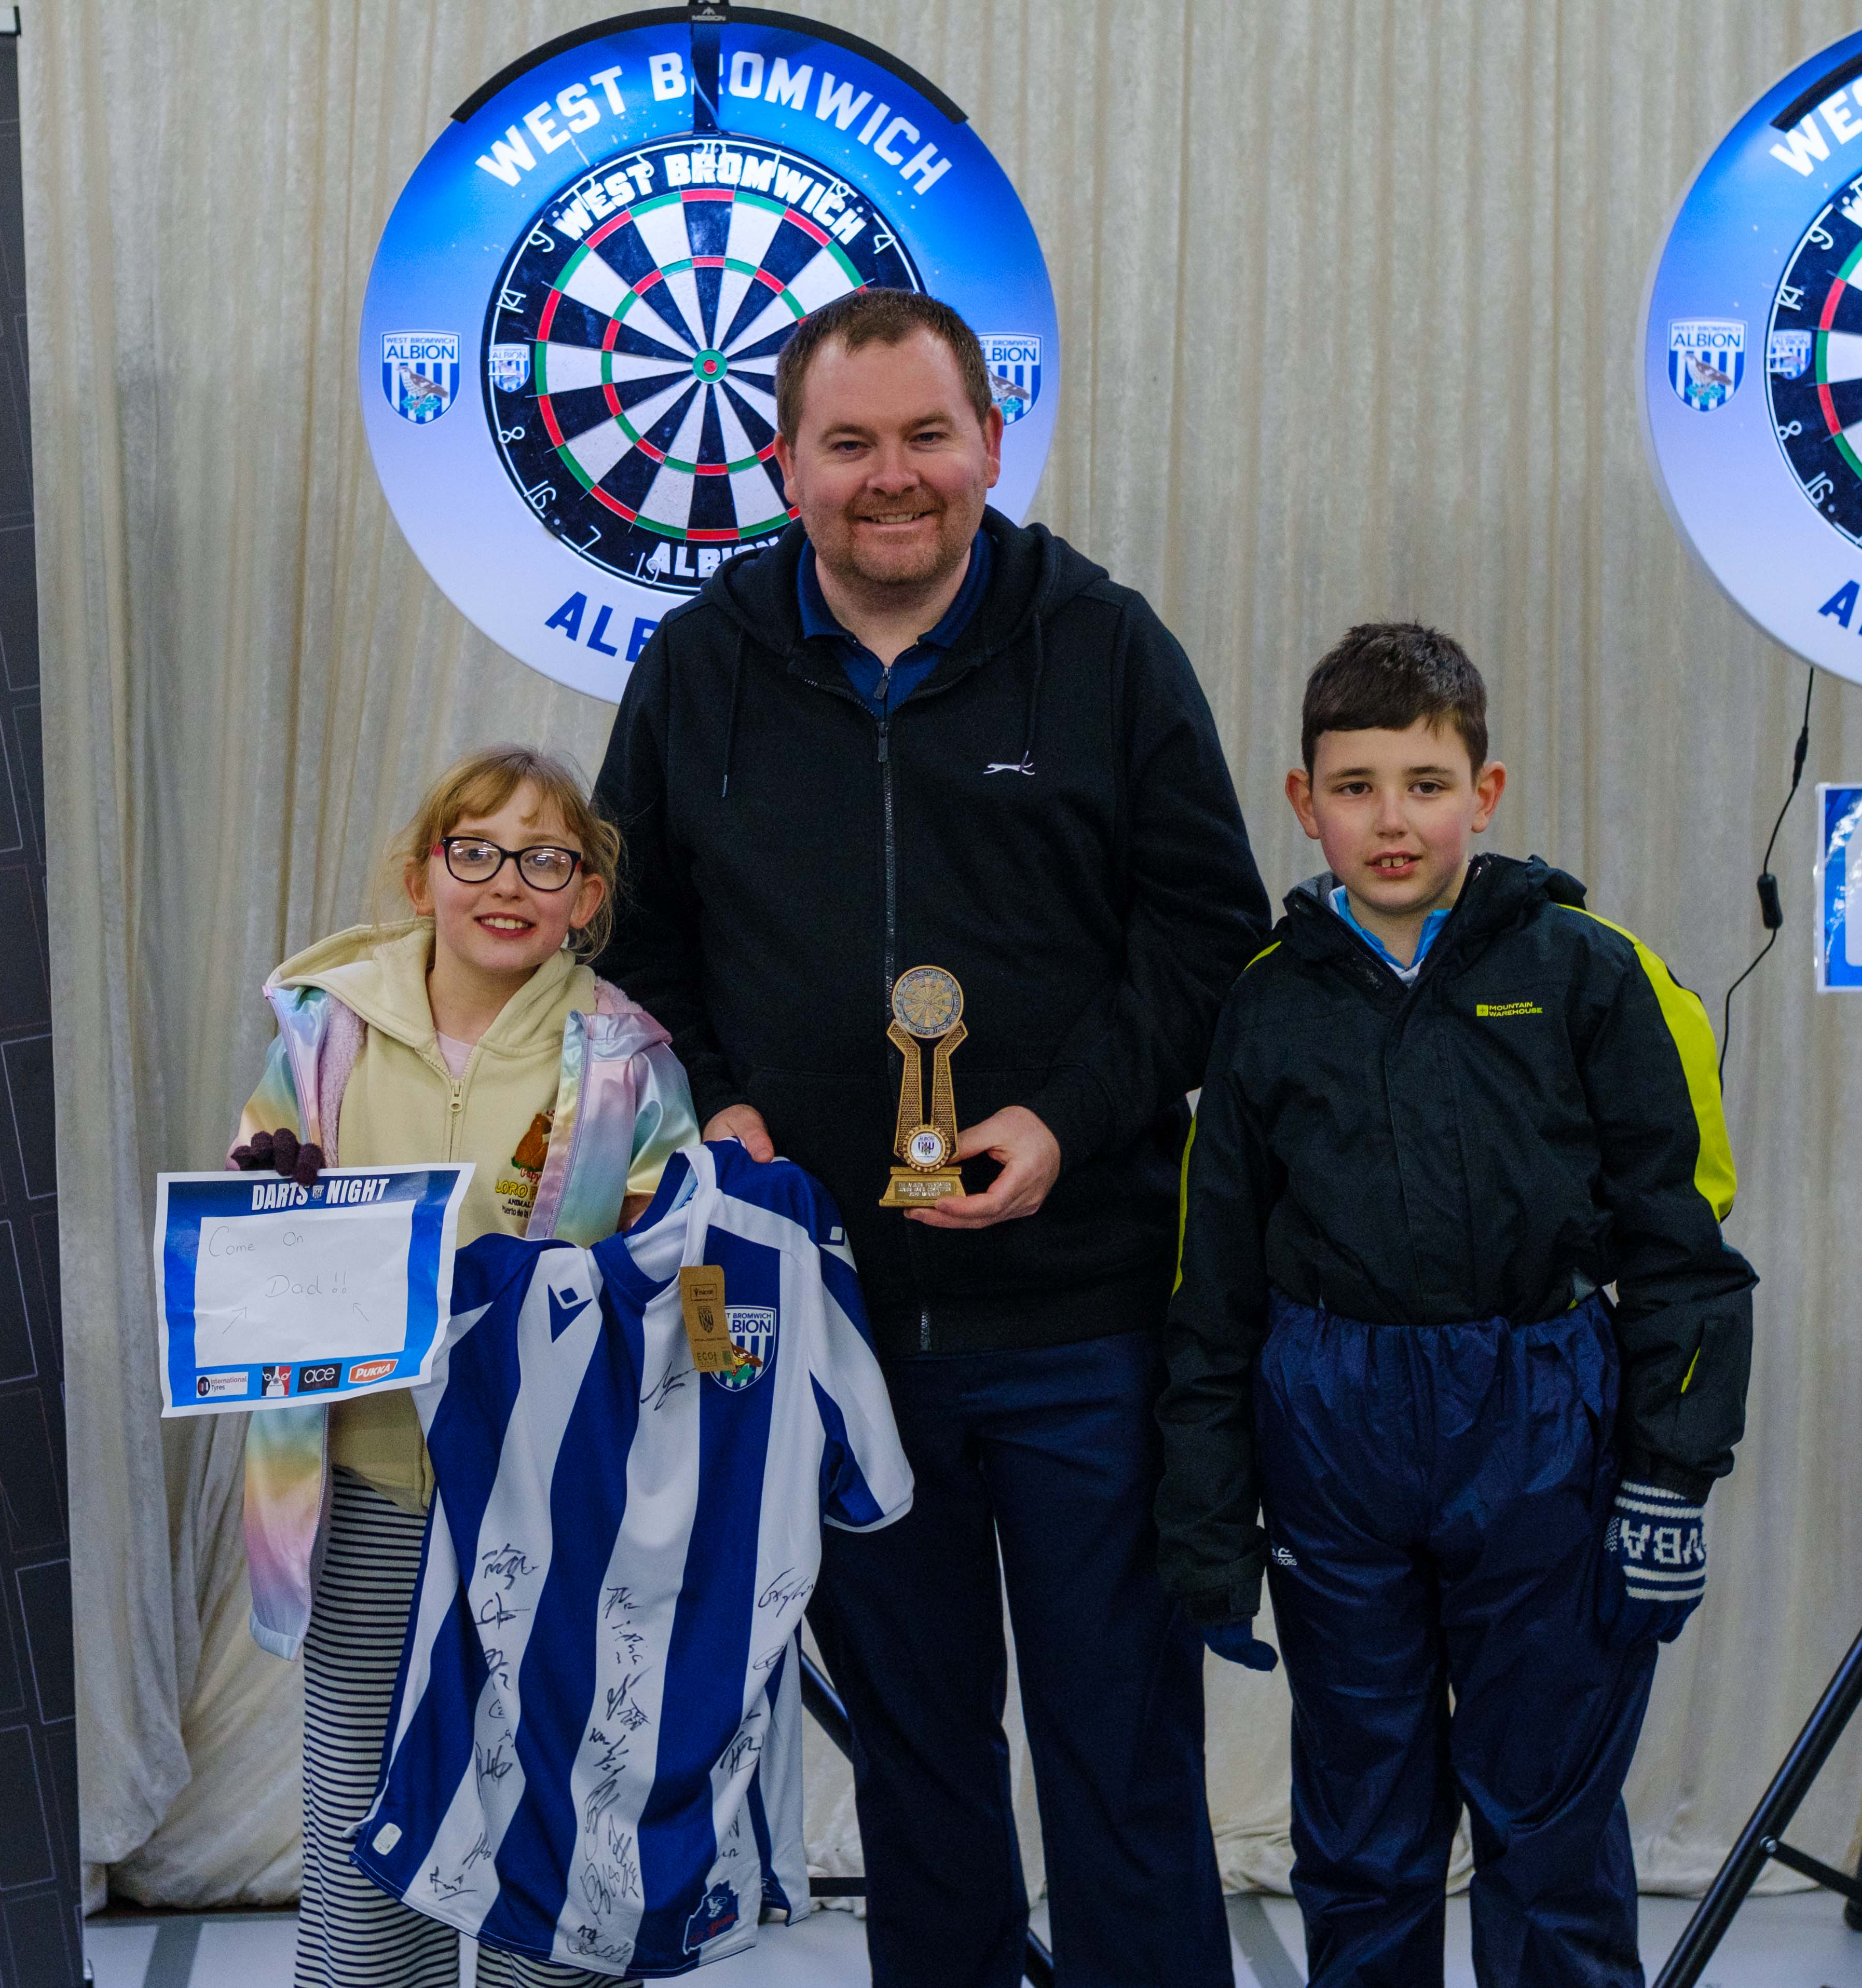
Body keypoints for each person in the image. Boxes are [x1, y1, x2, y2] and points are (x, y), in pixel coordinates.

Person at [593, 288, 1268, 1988]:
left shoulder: (1104, 648)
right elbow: (633, 948)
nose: (890, 476)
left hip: (1082, 1327)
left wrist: (1065, 1119)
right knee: (917, 1771)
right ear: (782, 466)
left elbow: (1209, 943)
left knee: (1124, 1756)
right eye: (849, 444)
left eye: (924, 436)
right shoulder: (696, 669)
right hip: (828, 1337)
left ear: (989, 441)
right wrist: (714, 1101)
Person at [1157, 625, 1758, 1988]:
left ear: (1482, 794)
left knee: (1546, 1811)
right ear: (1303, 801)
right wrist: (1206, 1514)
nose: (1390, 819)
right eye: (1354, 786)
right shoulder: (1265, 1002)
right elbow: (1215, 1276)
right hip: (1330, 1432)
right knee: (1361, 1814)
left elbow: (1682, 1244)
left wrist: (1671, 1472)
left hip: (1538, 1421)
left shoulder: (1590, 972)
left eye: (1424, 783)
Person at [226, 745, 696, 1988]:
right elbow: (247, 1221)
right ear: (421, 874)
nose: (506, 883)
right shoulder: (320, 1032)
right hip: (371, 1489)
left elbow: (680, 1269)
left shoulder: (627, 1060)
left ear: (585, 896)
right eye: (475, 851)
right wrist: (265, 1205)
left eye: (544, 860)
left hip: (556, 1511)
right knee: (367, 1814)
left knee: (553, 1813)